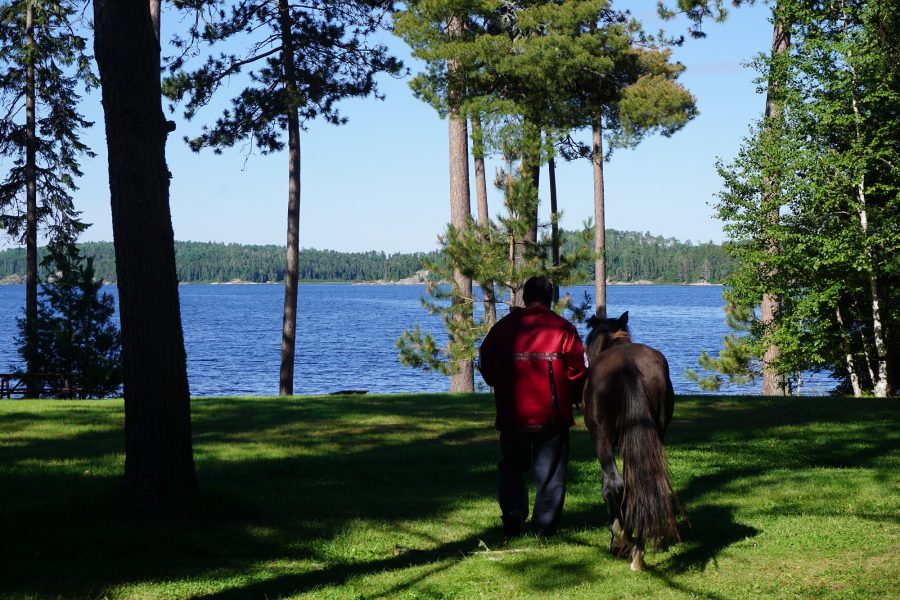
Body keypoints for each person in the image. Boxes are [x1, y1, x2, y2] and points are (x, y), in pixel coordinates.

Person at [478, 276, 588, 538]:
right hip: (551, 416)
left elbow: (486, 363)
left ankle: (513, 513)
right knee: (550, 474)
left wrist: (500, 385)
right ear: (549, 299)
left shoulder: (503, 328)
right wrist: (569, 393)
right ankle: (544, 527)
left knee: (512, 466)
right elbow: (577, 370)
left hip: (512, 413)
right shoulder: (563, 329)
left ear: (524, 298)